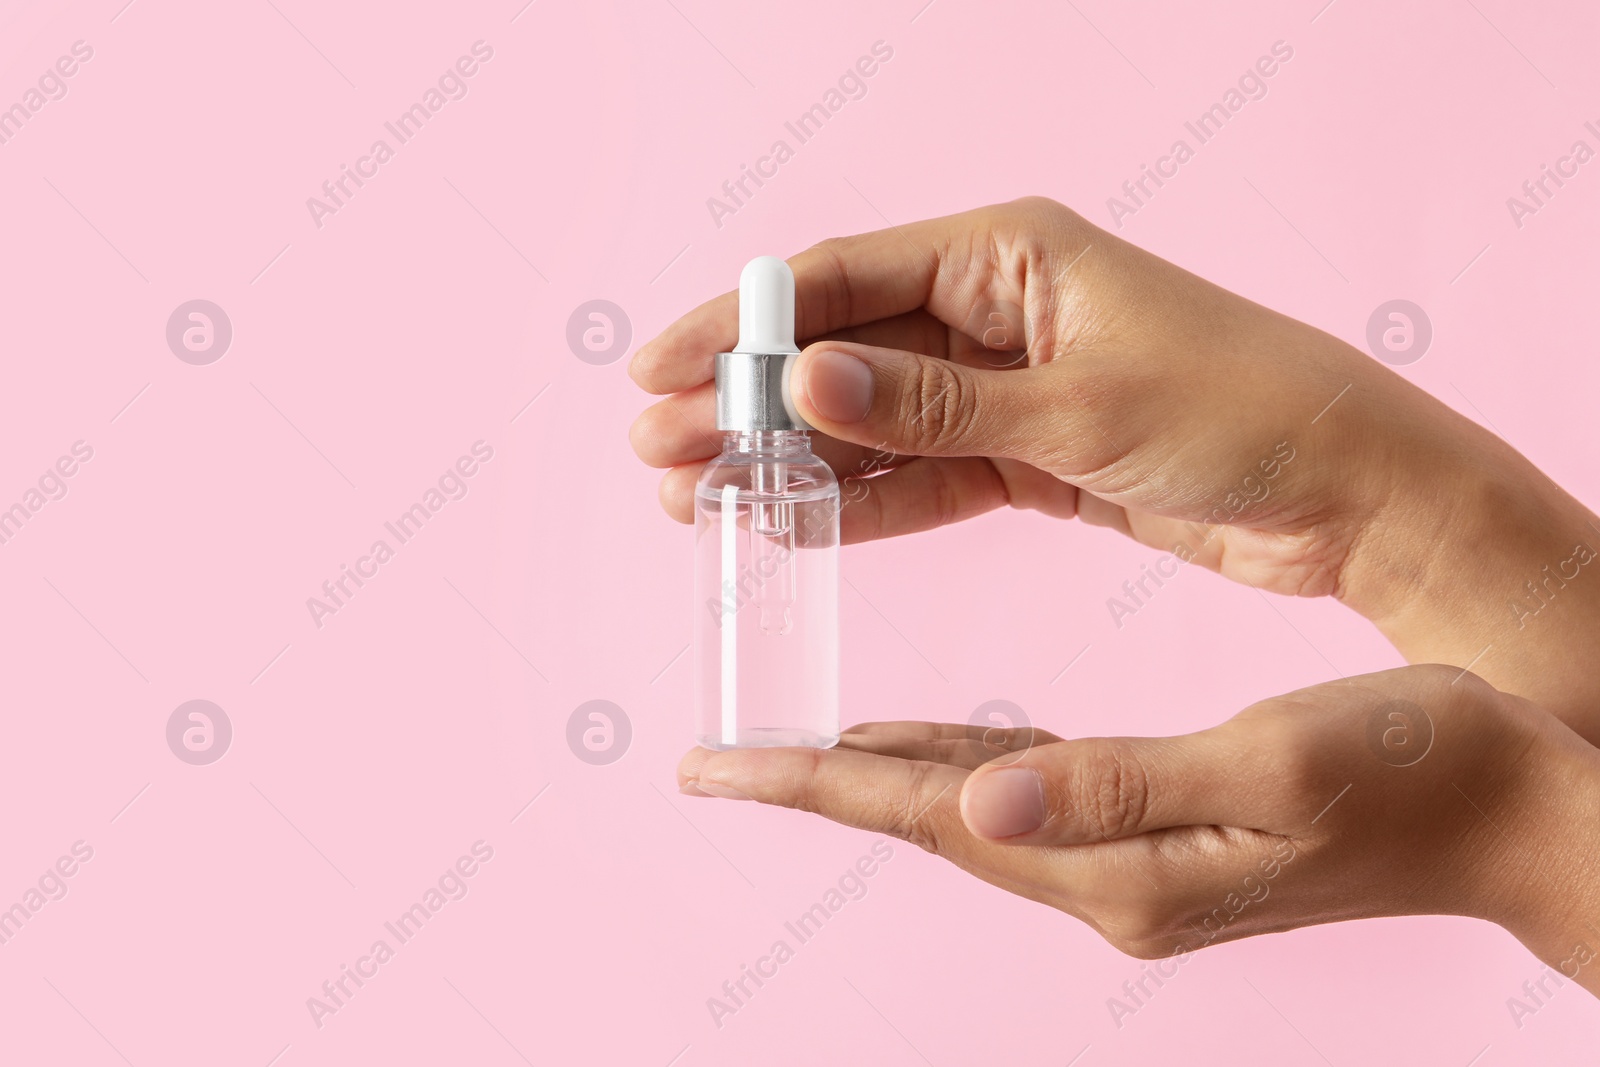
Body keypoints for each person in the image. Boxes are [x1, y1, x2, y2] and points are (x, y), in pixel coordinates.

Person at [628, 198, 1600, 989]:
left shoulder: (783, 479)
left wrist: (1512, 826)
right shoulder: (740, 483)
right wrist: (1386, 510)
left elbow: (1527, 815)